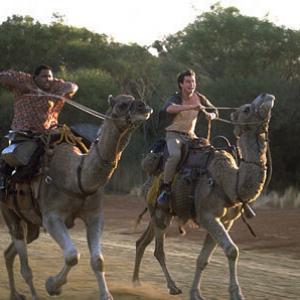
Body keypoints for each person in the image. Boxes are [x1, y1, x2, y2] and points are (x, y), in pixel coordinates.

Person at [0, 64, 78, 189]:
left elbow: (73, 86)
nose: (48, 79)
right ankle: (4, 183)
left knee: (71, 147)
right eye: (44, 76)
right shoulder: (24, 79)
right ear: (35, 77)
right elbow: (3, 76)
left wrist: (64, 92)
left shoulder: (55, 86)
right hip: (24, 132)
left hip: (48, 133)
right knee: (13, 156)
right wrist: (21, 87)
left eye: (50, 76)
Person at [157, 69, 218, 210]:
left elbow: (215, 110)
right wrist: (192, 106)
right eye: (188, 81)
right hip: (173, 134)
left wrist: (211, 116)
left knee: (210, 154)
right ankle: (165, 189)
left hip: (191, 136)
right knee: (174, 155)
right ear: (181, 84)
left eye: (193, 81)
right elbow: (169, 109)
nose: (192, 84)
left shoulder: (200, 97)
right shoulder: (176, 97)